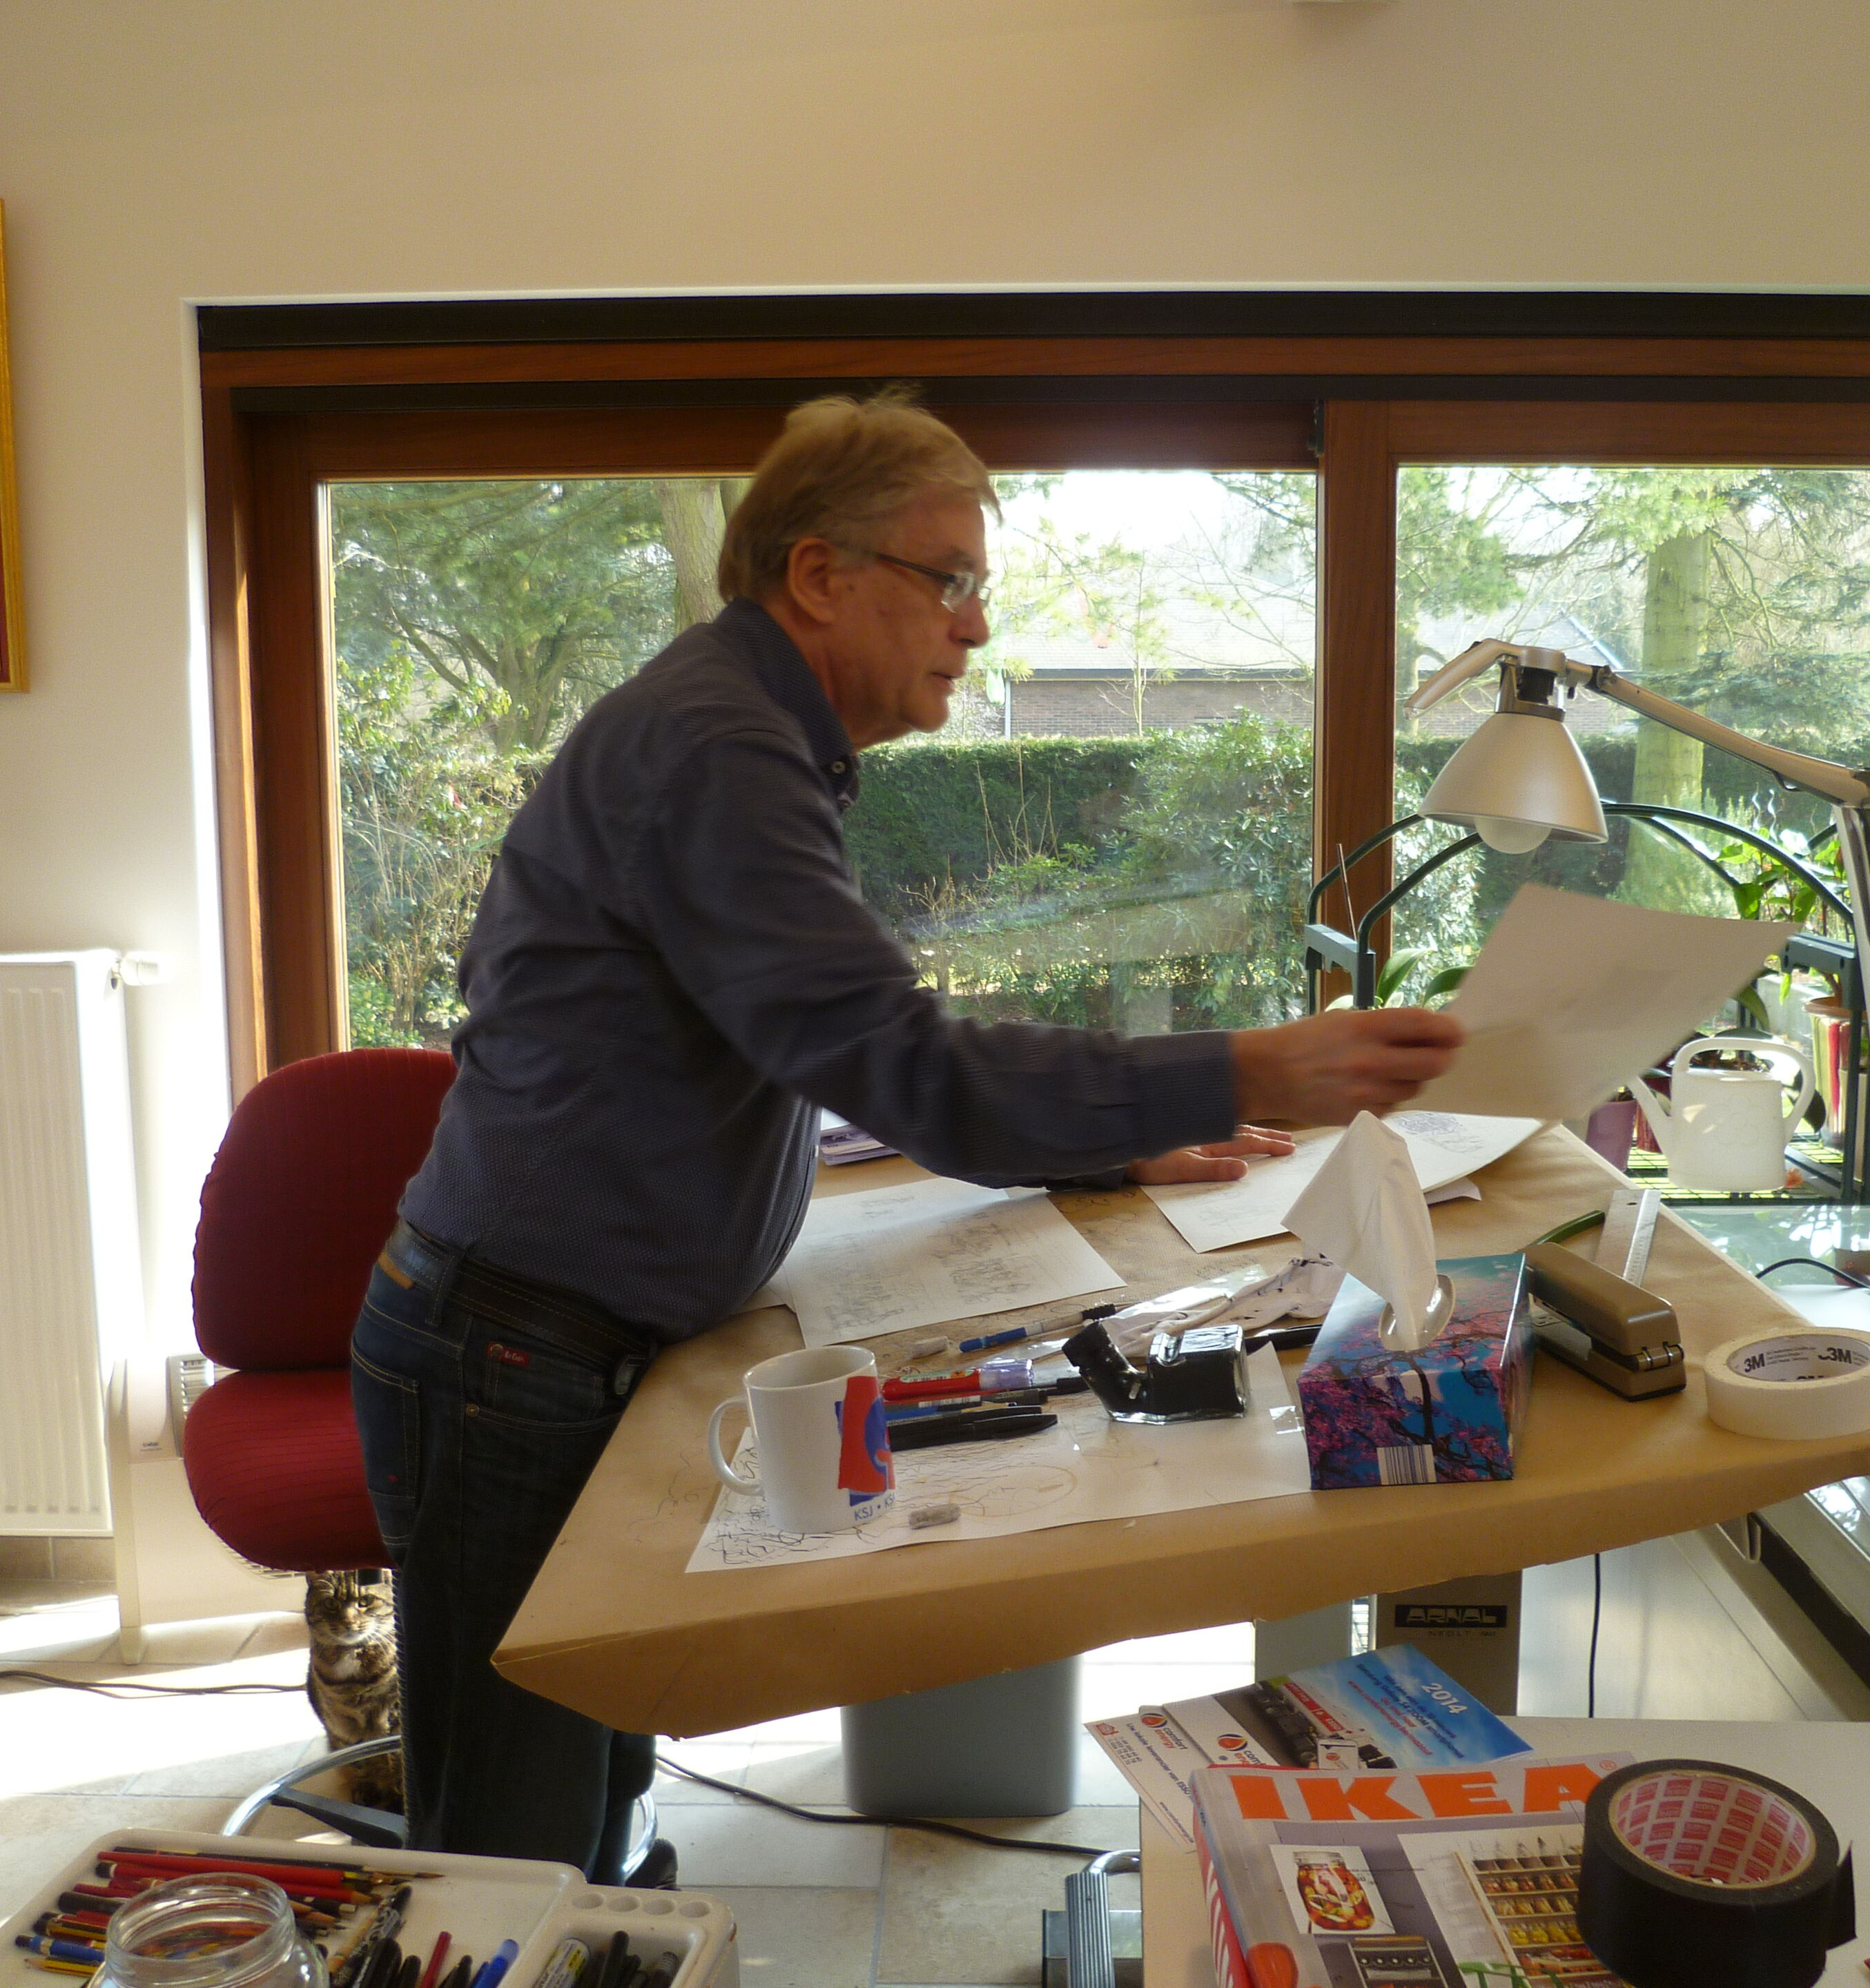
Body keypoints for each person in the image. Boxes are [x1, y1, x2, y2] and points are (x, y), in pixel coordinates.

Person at [350, 389, 1465, 1869]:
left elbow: (821, 1045)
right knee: (509, 1861)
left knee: (594, 1802)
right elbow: (898, 1061)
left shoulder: (748, 733)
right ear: (819, 575)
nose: (977, 627)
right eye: (949, 581)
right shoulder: (717, 749)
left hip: (553, 1348)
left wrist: (1098, 1139)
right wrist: (1246, 1069)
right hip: (511, 1360)